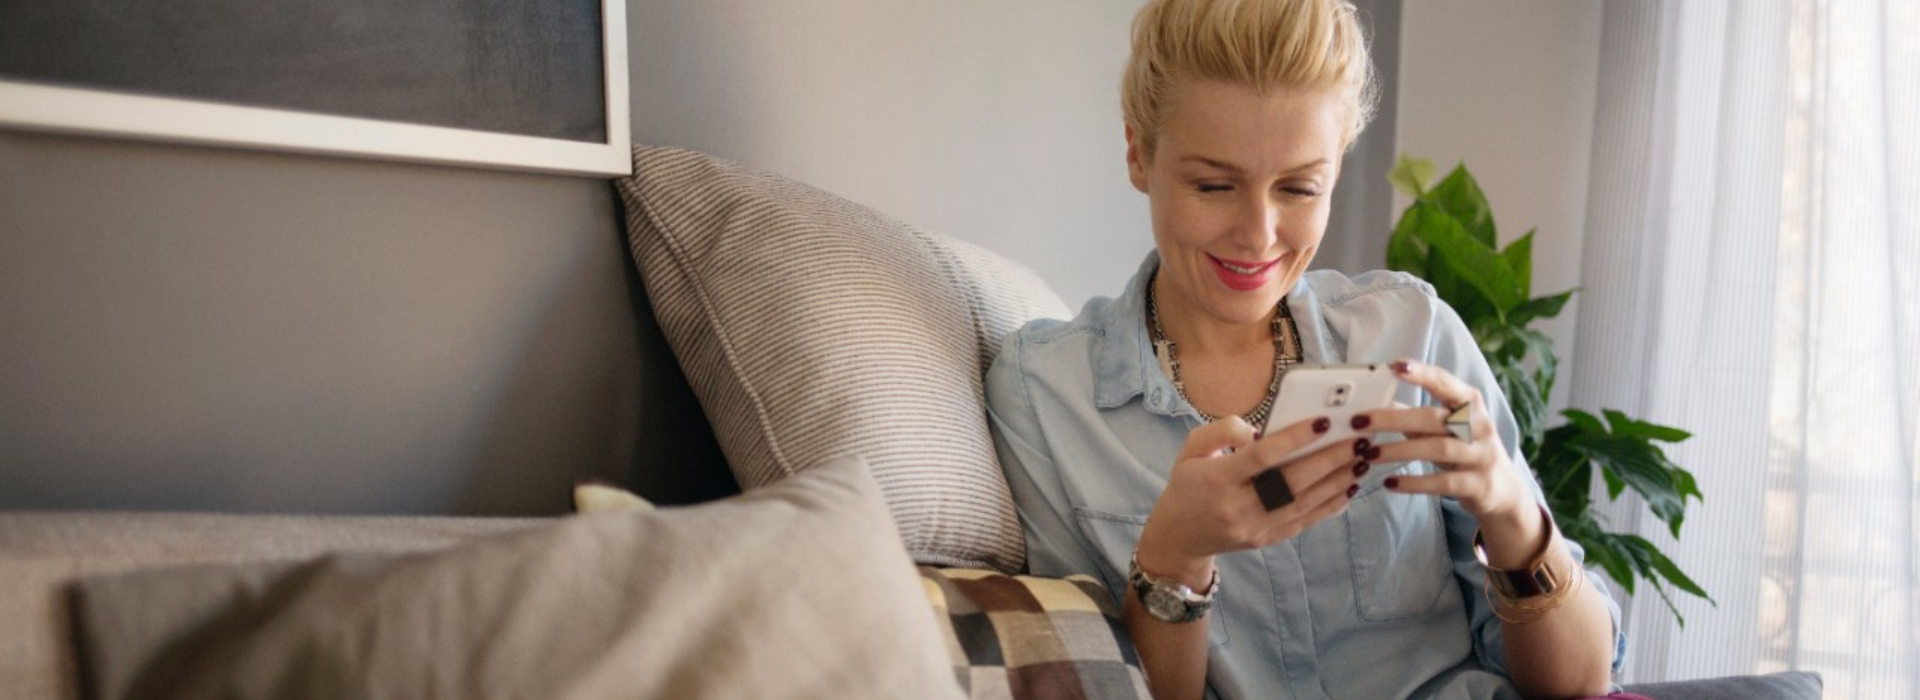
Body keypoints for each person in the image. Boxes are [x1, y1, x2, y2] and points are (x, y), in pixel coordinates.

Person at [983, 1, 1624, 698]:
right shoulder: (1045, 394)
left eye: (1299, 187)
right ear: (1139, 153)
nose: (1259, 235)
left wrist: (1511, 513)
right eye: (1214, 185)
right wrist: (1174, 556)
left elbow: (1581, 682)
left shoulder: (1412, 332)